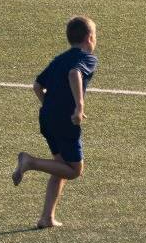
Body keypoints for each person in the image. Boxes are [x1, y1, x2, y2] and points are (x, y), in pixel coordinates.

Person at [13, 15, 96, 228]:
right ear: (89, 38)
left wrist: (48, 107)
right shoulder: (87, 58)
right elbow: (74, 73)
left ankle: (46, 217)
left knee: (60, 166)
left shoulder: (59, 58)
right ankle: (29, 161)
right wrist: (79, 107)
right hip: (65, 120)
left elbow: (37, 86)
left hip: (47, 117)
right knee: (74, 170)